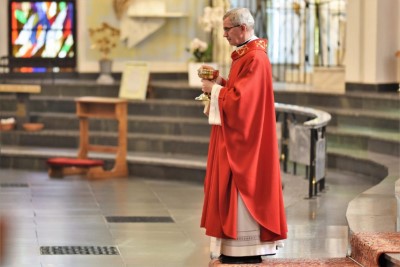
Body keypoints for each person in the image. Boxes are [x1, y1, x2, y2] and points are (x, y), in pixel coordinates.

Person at [200, 7, 287, 264]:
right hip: (237, 135)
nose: (224, 34)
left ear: (243, 29)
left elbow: (243, 104)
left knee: (243, 186)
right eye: (224, 29)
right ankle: (233, 247)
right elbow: (239, 91)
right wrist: (222, 83)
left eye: (228, 29)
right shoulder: (243, 55)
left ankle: (246, 247)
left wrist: (215, 91)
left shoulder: (256, 58)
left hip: (247, 142)